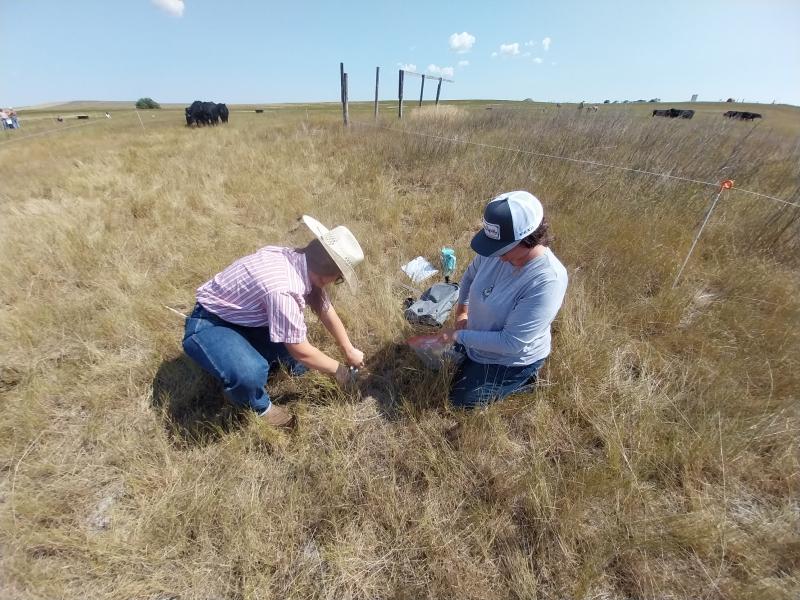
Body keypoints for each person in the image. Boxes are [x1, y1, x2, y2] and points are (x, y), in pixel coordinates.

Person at [182, 215, 366, 427]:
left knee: (296, 364)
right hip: (210, 322)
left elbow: (322, 305)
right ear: (329, 276)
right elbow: (302, 350)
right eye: (339, 278)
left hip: (247, 321)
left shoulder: (298, 260)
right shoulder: (284, 289)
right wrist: (340, 372)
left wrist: (348, 349)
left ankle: (247, 357)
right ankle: (260, 408)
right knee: (251, 373)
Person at [437, 191, 568, 409]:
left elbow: (512, 342)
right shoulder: (495, 253)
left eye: (502, 248)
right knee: (442, 365)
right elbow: (469, 277)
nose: (495, 255)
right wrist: (462, 312)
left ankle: (525, 380)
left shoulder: (547, 280)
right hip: (478, 335)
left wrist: (459, 335)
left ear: (527, 239)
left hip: (510, 357)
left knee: (460, 402)